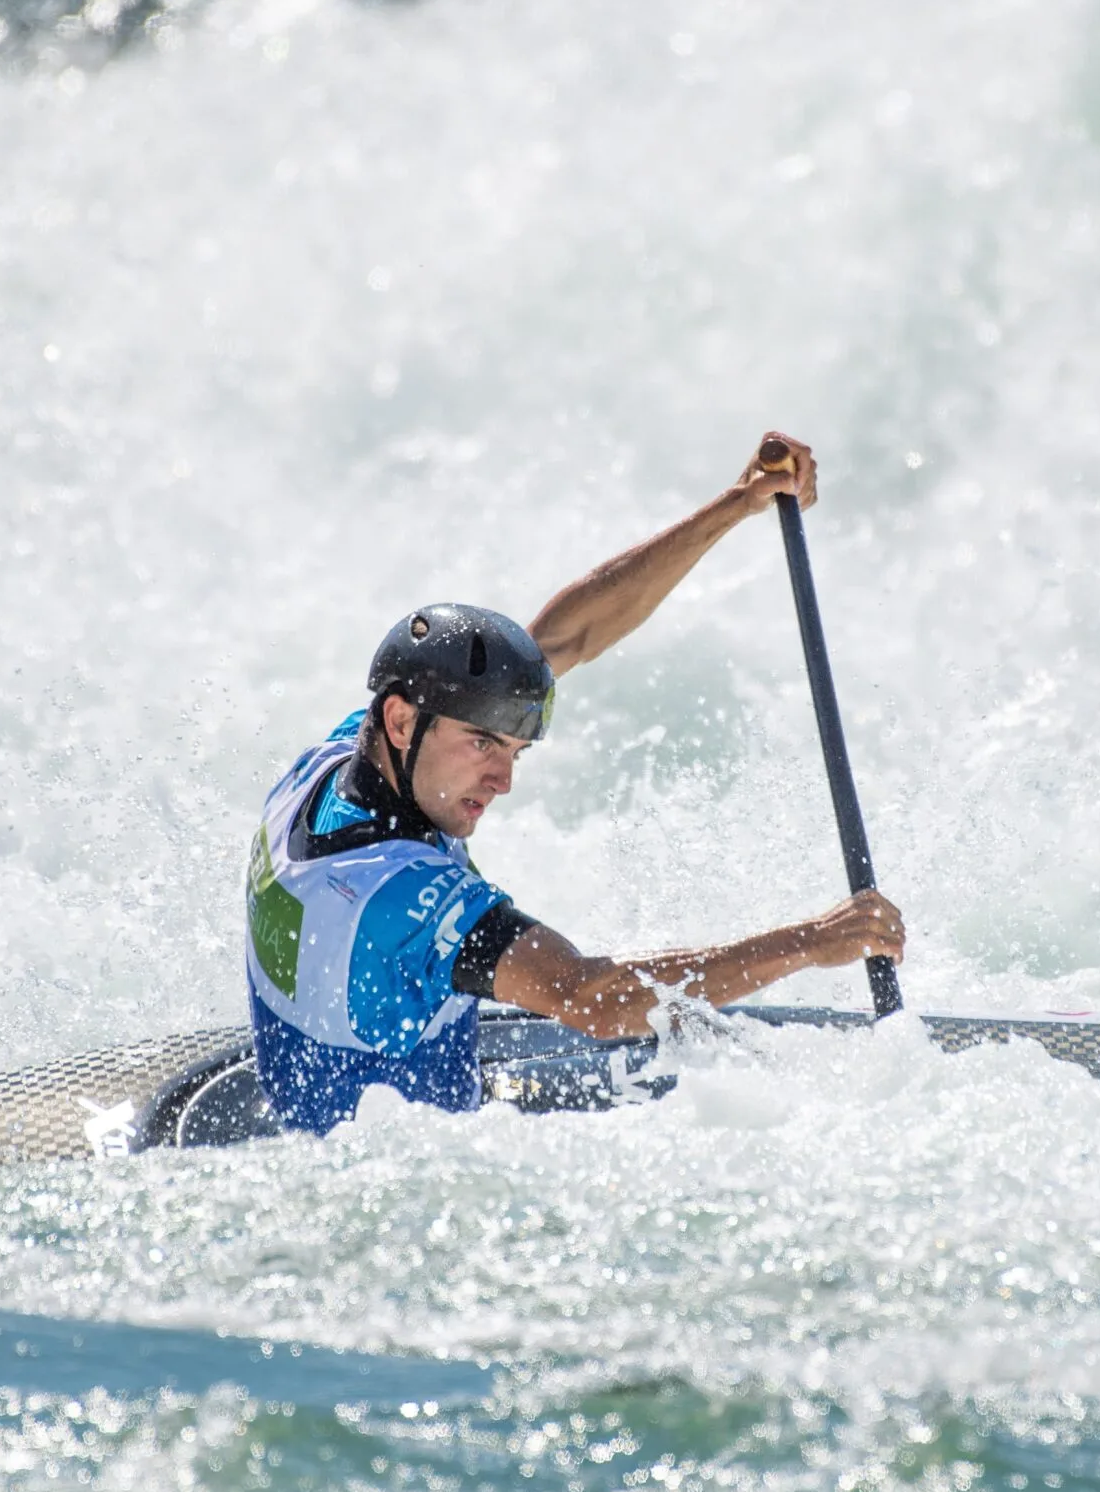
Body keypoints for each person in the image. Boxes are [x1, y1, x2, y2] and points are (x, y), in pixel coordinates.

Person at [244, 433, 908, 1134]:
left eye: (516, 751)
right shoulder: (390, 900)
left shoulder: (344, 754)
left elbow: (564, 639)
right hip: (399, 1193)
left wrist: (738, 505)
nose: (502, 780)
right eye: (484, 746)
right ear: (405, 722)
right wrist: (813, 941)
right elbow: (594, 1000)